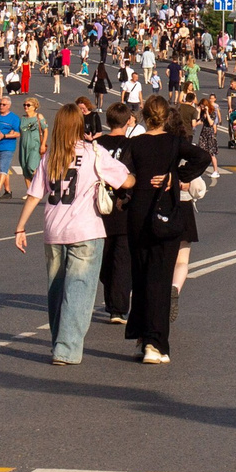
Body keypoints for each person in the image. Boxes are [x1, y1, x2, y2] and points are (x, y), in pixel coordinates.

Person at [14, 102, 134, 365]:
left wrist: (20, 226)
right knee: (79, 290)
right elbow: (126, 180)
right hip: (86, 231)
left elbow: (34, 194)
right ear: (81, 126)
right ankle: (66, 349)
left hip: (53, 231)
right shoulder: (93, 154)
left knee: (56, 290)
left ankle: (58, 341)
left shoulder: (51, 156)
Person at [122, 97, 210, 365]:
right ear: (165, 118)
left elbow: (122, 175)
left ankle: (139, 339)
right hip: (166, 216)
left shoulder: (134, 144)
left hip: (138, 215)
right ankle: (155, 344)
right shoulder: (173, 143)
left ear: (146, 116)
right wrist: (176, 177)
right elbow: (203, 157)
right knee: (160, 281)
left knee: (140, 277)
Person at [97, 100, 139, 324]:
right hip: (123, 209)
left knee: (104, 258)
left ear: (107, 120)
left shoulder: (96, 144)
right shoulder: (132, 146)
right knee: (122, 260)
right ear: (128, 121)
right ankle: (118, 308)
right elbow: (135, 176)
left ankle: (111, 299)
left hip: (98, 209)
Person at [0, 96, 23, 199]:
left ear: (9, 106)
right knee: (4, 169)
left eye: (4, 105)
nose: (1, 106)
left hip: (8, 147)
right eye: (0, 104)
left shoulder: (14, 118)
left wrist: (4, 136)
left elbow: (17, 133)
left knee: (2, 168)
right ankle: (8, 191)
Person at [17, 97, 48, 191]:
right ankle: (30, 191)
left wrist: (43, 144)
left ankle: (39, 186)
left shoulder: (39, 117)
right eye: (24, 105)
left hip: (35, 146)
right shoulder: (22, 119)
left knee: (31, 166)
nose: (26, 107)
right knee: (25, 169)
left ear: (34, 107)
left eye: (28, 105)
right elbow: (19, 132)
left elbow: (45, 131)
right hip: (23, 146)